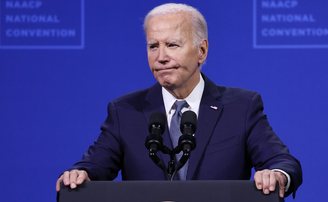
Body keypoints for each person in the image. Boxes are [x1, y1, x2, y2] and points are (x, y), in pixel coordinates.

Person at [56, 3, 302, 198]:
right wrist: (81, 174)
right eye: (153, 46)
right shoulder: (125, 111)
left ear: (202, 51)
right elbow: (93, 166)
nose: (161, 57)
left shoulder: (241, 106)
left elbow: (282, 162)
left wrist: (276, 175)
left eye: (172, 45)